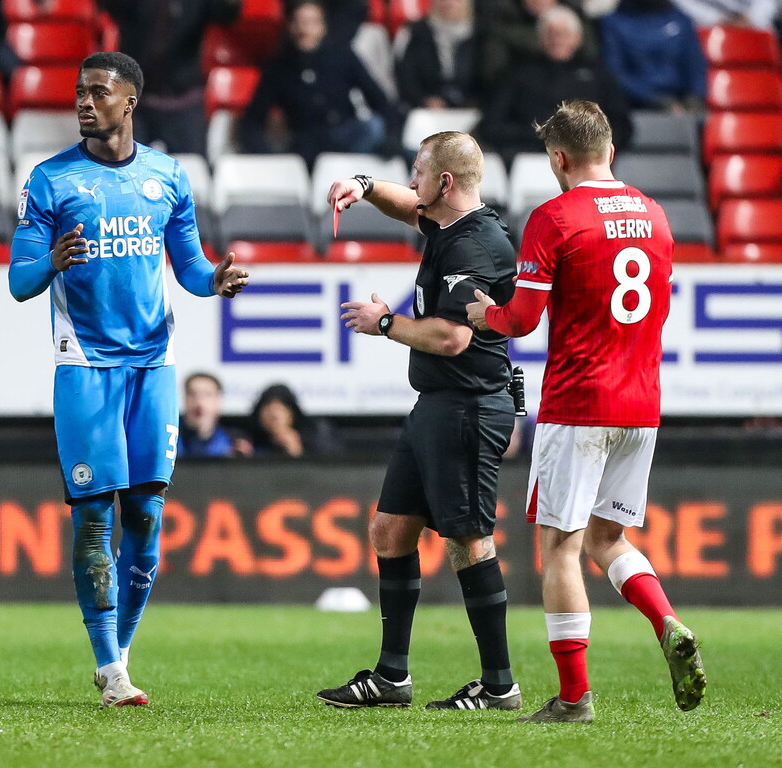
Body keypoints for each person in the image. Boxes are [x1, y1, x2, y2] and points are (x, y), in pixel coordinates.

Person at [8, 51, 249, 708]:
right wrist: (51, 261)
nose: (85, 102)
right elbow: (18, 282)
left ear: (130, 101)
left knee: (145, 513)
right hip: (84, 365)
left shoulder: (167, 177)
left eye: (98, 92)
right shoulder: (51, 180)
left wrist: (215, 281)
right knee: (93, 520)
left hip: (152, 364)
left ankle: (123, 651)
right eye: (79, 91)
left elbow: (192, 267)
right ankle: (109, 667)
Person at [466, 100, 706, 723]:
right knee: (609, 537)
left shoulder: (555, 217)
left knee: (561, 548)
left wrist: (481, 315)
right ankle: (668, 623)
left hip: (578, 402)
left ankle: (574, 697)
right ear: (612, 153)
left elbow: (521, 320)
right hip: (642, 402)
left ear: (558, 159)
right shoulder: (654, 214)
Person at [316, 131, 521, 711]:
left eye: (418, 172)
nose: (411, 183)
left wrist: (385, 323)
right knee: (389, 530)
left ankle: (500, 683)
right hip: (436, 405)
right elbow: (407, 204)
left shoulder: (476, 245)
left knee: (468, 541)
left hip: (468, 406)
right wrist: (360, 186)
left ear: (446, 183)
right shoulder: (449, 224)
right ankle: (391, 677)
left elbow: (452, 337)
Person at [240, 0, 397, 167]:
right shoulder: (278, 68)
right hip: (307, 147)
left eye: (311, 22)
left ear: (323, 27)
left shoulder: (342, 57)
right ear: (290, 26)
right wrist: (268, 156)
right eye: (299, 22)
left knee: (378, 132)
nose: (304, 29)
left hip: (347, 137)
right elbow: (252, 121)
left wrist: (392, 136)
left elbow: (381, 102)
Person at [478, 5, 632, 164]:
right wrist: (541, 135)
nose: (558, 39)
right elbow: (491, 126)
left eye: (565, 33)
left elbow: (622, 127)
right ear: (540, 37)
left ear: (578, 37)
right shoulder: (517, 75)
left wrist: (593, 150)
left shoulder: (599, 76)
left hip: (586, 162)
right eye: (551, 33)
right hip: (529, 159)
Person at [100, 0, 242, 156]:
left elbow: (227, 13)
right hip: (135, 102)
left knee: (191, 173)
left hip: (184, 100)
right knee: (123, 174)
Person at [600, 0, 707, 113]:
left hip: (681, 104)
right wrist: (653, 99)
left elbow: (696, 66)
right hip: (636, 108)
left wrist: (695, 98)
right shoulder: (613, 23)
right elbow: (615, 73)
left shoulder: (681, 20)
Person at [475, 0, 599, 92]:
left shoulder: (576, 16)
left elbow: (590, 55)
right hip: (522, 93)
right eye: (551, 34)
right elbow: (494, 73)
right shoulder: (502, 20)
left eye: (564, 34)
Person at [394, 0, 481, 110]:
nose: (449, 3)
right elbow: (404, 75)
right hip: (424, 110)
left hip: (472, 109)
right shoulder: (415, 33)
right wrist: (423, 101)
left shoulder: (481, 35)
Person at [247, 383, 339, 457]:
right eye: (268, 409)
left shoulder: (315, 439)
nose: (274, 415)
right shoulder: (250, 440)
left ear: (292, 413)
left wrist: (296, 451)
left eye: (280, 409)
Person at [178, 372, 252, 457]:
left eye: (207, 395)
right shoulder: (167, 437)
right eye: (193, 394)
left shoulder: (234, 441)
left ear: (218, 399)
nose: (199, 402)